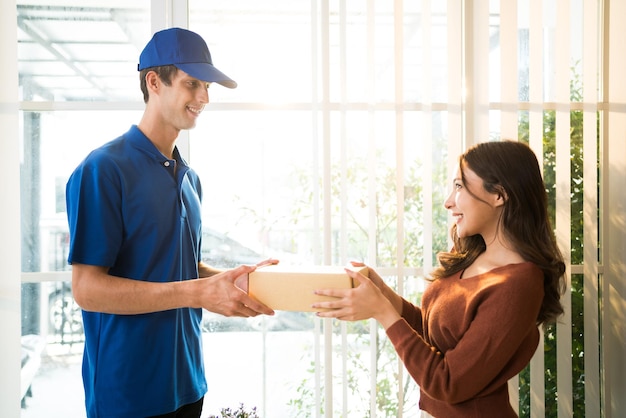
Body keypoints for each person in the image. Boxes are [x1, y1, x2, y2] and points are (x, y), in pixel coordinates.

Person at [65, 27, 275, 418]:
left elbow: (179, 268)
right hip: (128, 394)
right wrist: (197, 293)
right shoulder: (103, 169)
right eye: (192, 83)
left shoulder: (189, 178)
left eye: (207, 86)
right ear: (154, 82)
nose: (204, 98)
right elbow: (87, 289)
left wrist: (229, 280)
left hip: (188, 386)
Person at [313, 140, 566, 417]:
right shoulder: (472, 257)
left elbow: (448, 383)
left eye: (459, 186)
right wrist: (384, 295)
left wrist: (383, 313)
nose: (448, 202)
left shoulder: (518, 285)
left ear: (499, 195)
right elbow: (437, 336)